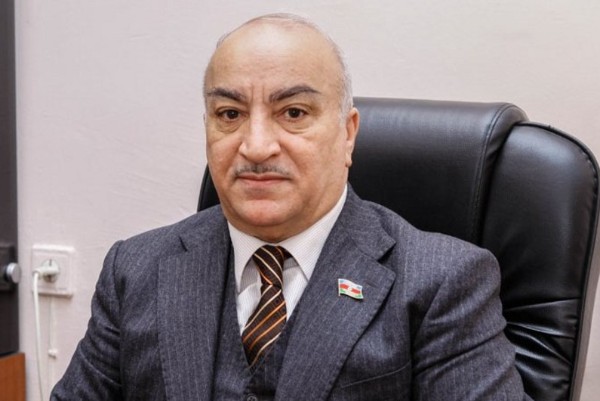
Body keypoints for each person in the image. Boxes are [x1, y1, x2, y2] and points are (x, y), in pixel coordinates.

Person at [51, 13, 532, 401]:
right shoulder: (135, 269)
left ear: (347, 133)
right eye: (230, 114)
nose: (256, 146)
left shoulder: (443, 283)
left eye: (293, 112)